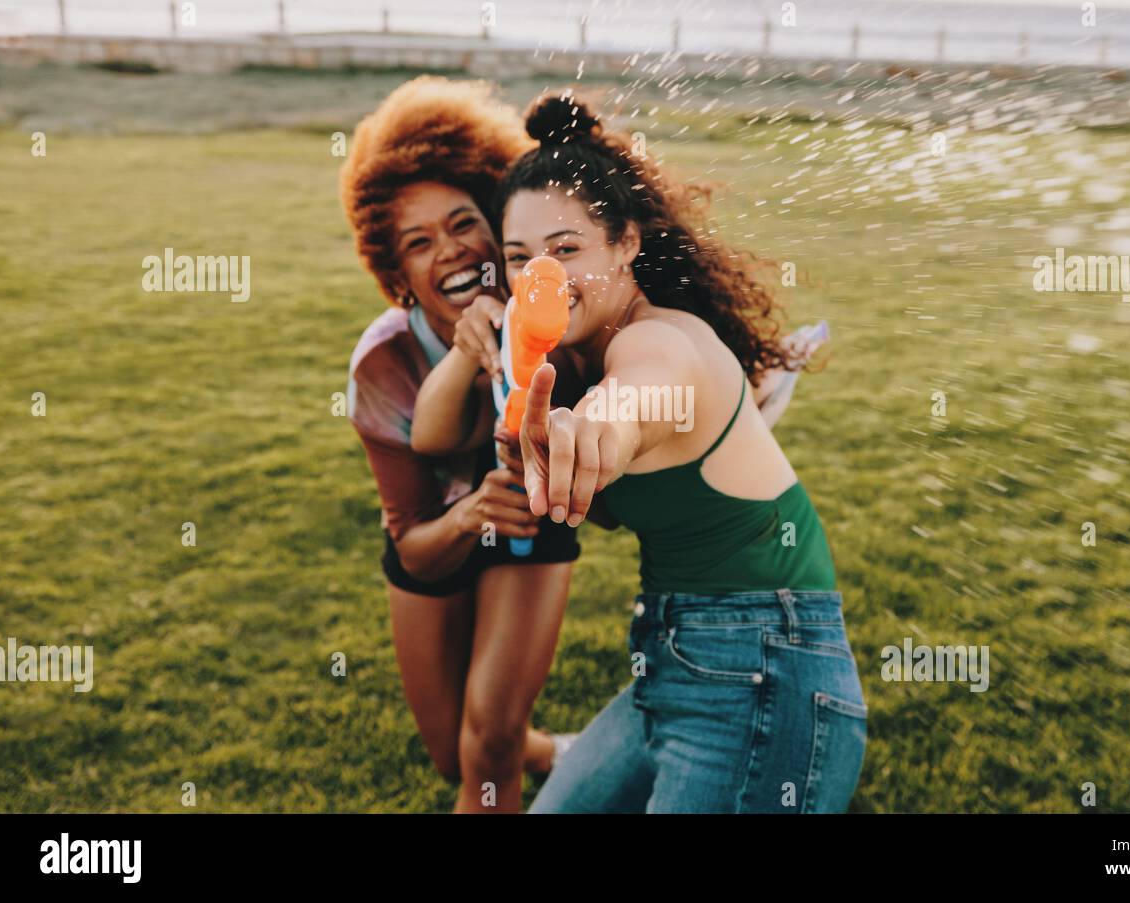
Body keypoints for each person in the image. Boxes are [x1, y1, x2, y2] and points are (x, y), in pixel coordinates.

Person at [487, 93, 869, 813]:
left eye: (567, 249)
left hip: (768, 669)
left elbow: (640, 398)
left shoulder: (658, 342)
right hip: (674, 663)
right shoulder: (580, 359)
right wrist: (542, 454)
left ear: (627, 241)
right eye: (519, 259)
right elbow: (604, 498)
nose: (542, 277)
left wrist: (598, 429)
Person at [339, 76, 585, 813]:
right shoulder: (382, 367)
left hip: (525, 522)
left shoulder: (543, 314)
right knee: (453, 755)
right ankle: (551, 750)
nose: (449, 252)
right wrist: (470, 513)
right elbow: (411, 544)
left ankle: (516, 746)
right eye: (418, 242)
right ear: (399, 276)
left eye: (463, 223)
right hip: (441, 532)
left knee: (488, 749)